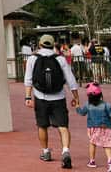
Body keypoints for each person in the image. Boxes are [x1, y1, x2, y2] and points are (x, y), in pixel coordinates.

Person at [24, 33, 80, 169]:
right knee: (63, 126)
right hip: (59, 97)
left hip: (40, 97)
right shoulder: (60, 59)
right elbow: (70, 79)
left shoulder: (32, 58)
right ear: (53, 44)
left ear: (40, 44)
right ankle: (65, 151)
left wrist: (28, 97)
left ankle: (45, 151)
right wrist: (76, 97)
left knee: (42, 125)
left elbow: (28, 79)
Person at [75, 82, 111, 172]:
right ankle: (110, 161)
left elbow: (82, 113)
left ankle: (92, 161)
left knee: (92, 143)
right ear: (100, 95)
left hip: (93, 128)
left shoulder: (88, 104)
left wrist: (77, 107)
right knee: (107, 145)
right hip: (105, 127)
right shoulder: (106, 105)